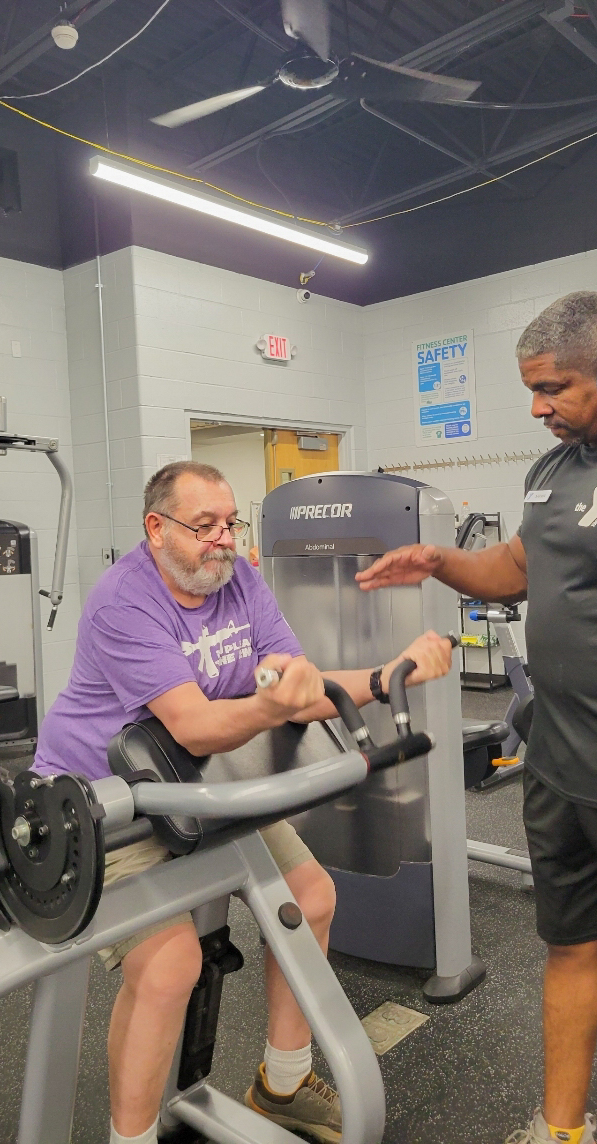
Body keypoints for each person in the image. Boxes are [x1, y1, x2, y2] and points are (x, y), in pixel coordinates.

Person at [356, 291, 597, 1144]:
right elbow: (518, 566)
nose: (537, 409)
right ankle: (560, 1129)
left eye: (553, 389)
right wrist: (440, 559)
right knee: (570, 949)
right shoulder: (551, 471)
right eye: (531, 390)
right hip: (559, 767)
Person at [34, 460, 454, 1144]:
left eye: (230, 523)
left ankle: (282, 1086)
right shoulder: (125, 600)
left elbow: (297, 684)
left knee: (310, 899)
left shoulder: (240, 580)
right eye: (204, 527)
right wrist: (269, 703)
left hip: (202, 783)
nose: (223, 539)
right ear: (156, 529)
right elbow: (195, 722)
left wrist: (383, 675)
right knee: (171, 967)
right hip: (109, 806)